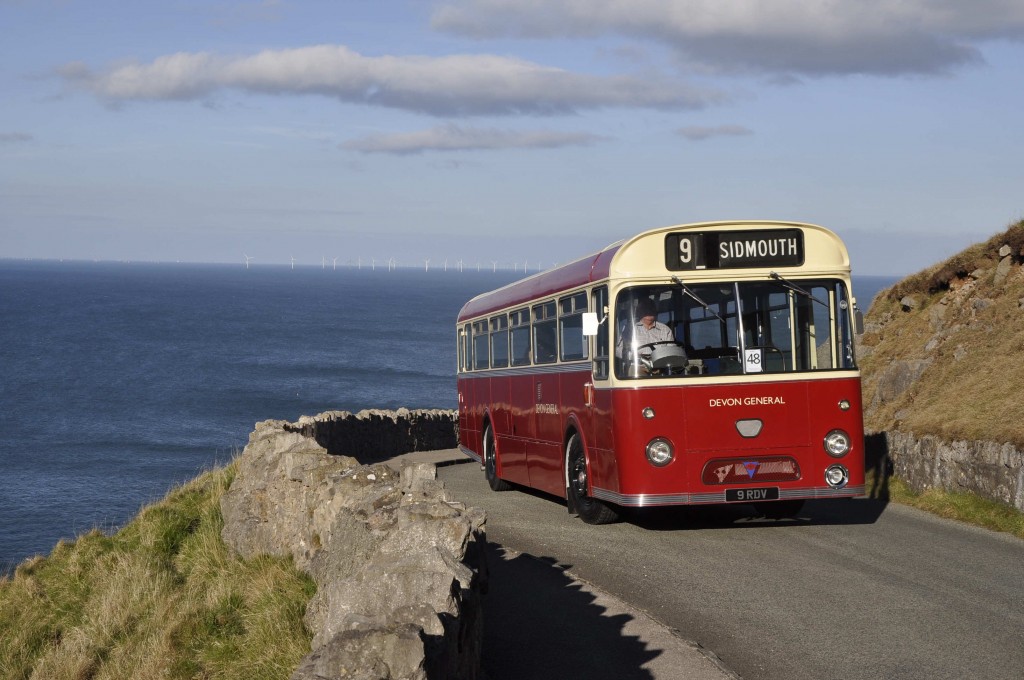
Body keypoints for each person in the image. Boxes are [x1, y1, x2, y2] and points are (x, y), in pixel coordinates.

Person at [616, 297, 674, 366]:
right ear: (639, 312)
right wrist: (634, 356)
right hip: (636, 369)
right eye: (645, 310)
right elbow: (618, 351)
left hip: (661, 368)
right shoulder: (630, 329)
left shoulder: (665, 330)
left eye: (651, 309)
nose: (649, 312)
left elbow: (672, 352)